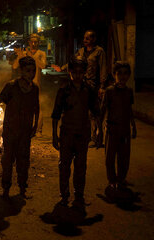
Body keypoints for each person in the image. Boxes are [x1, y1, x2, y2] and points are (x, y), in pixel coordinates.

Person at [51, 57, 99, 210]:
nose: (77, 75)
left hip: (82, 134)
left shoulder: (89, 91)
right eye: (74, 72)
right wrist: (54, 135)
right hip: (66, 134)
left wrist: (98, 131)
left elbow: (95, 112)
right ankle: (64, 196)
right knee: (64, 166)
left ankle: (79, 195)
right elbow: (56, 114)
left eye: (80, 72)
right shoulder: (63, 91)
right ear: (70, 73)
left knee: (80, 167)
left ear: (84, 73)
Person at [0, 56, 39, 200]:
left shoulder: (34, 88)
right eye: (28, 71)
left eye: (33, 70)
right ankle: (6, 190)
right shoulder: (11, 87)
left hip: (25, 132)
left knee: (24, 161)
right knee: (8, 162)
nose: (32, 73)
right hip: (11, 132)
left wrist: (35, 125)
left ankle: (23, 189)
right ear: (21, 71)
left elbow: (36, 107)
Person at [53, 30, 107, 147]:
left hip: (94, 85)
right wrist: (62, 68)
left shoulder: (99, 52)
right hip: (82, 83)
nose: (85, 40)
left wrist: (102, 87)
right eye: (84, 38)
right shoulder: (81, 51)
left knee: (95, 113)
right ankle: (87, 136)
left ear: (93, 39)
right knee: (83, 111)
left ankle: (96, 137)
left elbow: (103, 69)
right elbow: (74, 62)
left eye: (87, 38)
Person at [101, 61, 136, 191]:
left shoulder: (129, 91)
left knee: (124, 157)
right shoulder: (109, 91)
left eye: (125, 73)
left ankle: (121, 179)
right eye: (119, 73)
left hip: (125, 129)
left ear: (129, 75)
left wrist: (133, 126)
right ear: (114, 75)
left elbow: (129, 110)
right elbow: (103, 110)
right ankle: (112, 180)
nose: (122, 77)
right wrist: (99, 128)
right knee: (110, 157)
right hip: (112, 129)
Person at [12, 33, 47, 136]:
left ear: (39, 43)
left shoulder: (41, 53)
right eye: (31, 41)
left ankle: (38, 129)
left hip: (36, 83)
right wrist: (19, 55)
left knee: (37, 107)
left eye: (35, 42)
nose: (33, 44)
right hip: (24, 84)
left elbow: (43, 66)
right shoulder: (25, 53)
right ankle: (25, 128)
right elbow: (15, 66)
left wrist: (31, 56)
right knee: (24, 106)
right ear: (28, 42)